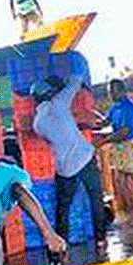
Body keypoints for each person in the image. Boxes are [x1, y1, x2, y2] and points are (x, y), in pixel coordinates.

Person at [31, 74, 107, 249]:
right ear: (50, 94)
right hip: (84, 158)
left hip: (64, 167)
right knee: (96, 198)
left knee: (63, 207)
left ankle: (60, 243)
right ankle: (101, 240)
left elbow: (54, 137)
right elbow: (75, 81)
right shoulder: (59, 103)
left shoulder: (37, 123)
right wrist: (65, 80)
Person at [95, 79, 133, 225]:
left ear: (122, 91)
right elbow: (106, 122)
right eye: (110, 91)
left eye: (113, 91)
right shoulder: (116, 107)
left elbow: (125, 131)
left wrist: (104, 141)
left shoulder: (129, 107)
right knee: (121, 183)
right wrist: (89, 122)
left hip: (129, 145)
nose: (110, 94)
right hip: (119, 147)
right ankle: (132, 214)